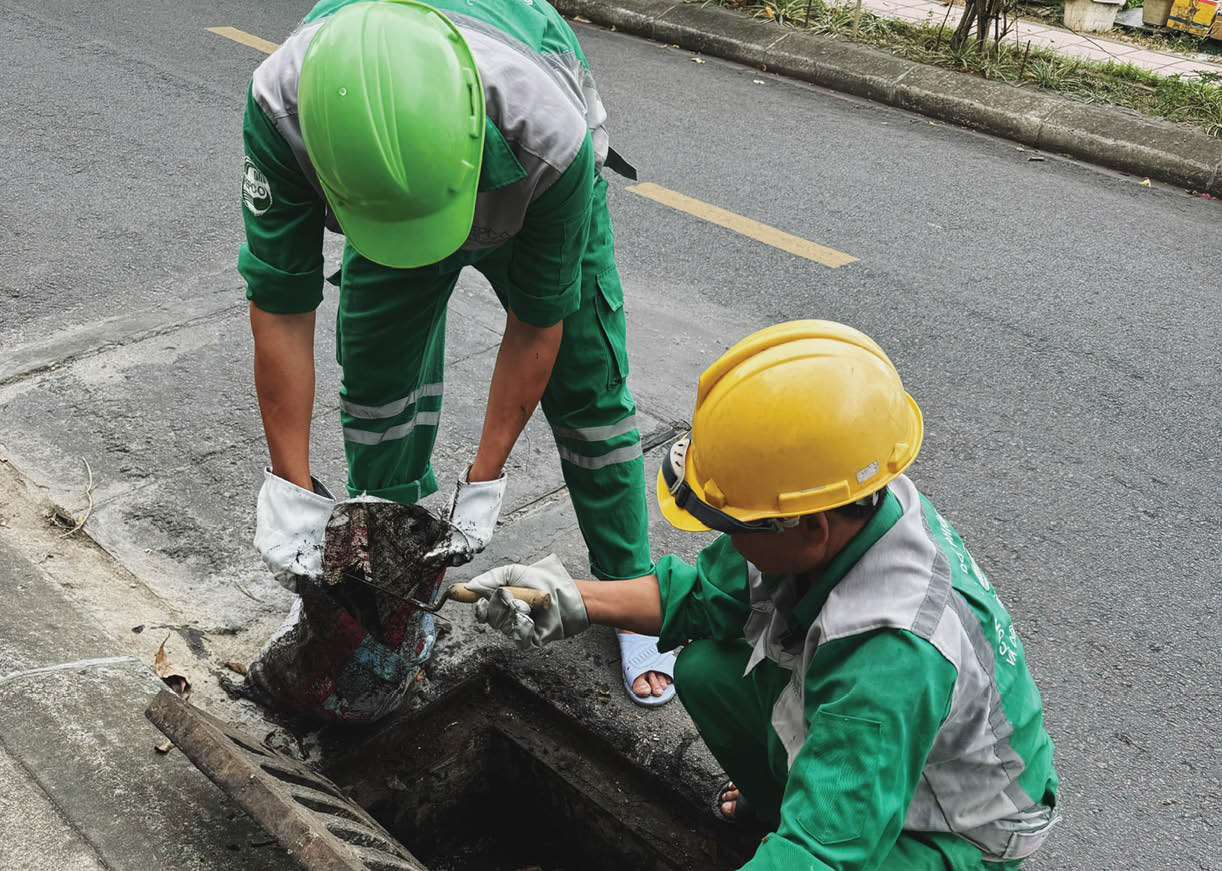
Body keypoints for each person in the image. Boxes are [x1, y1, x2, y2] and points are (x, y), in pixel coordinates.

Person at [468, 320, 1060, 869]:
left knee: (827, 840)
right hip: (889, 742)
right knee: (702, 668)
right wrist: (569, 598)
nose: (729, 541)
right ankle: (793, 804)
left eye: (735, 527)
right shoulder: (841, 492)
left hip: (954, 828)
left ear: (809, 530)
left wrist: (801, 845)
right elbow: (702, 596)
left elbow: (821, 857)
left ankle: (823, 814)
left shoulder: (889, 657)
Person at [241, 0, 675, 706]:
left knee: (589, 392)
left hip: (525, 189)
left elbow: (538, 325)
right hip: (390, 203)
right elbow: (280, 303)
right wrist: (292, 495)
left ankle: (630, 591)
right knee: (381, 391)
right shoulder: (282, 107)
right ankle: (390, 576)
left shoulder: (549, 136)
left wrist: (484, 483)